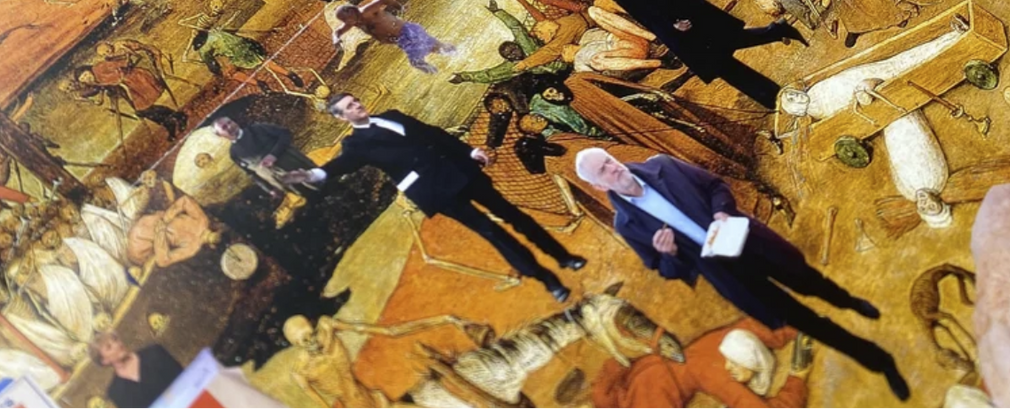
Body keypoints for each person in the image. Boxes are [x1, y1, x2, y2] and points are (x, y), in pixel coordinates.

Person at [575, 149, 909, 402]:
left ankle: (849, 302)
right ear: (598, 185)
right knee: (801, 320)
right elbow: (664, 269)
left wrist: (722, 212)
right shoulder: (627, 225)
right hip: (727, 274)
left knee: (808, 281)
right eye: (603, 170)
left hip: (747, 240)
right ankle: (879, 361)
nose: (613, 168)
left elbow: (715, 186)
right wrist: (670, 254)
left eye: (609, 160)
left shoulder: (663, 165)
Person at [325, 94, 584, 300]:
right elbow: (343, 164)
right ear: (340, 117)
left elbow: (434, 134)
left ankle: (564, 257)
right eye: (349, 107)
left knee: (514, 215)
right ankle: (548, 281)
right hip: (436, 191)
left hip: (460, 171)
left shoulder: (391, 116)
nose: (357, 106)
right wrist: (316, 174)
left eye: (355, 101)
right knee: (491, 232)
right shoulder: (355, 145)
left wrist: (469, 152)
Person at [552, 0, 803, 109]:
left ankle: (771, 92)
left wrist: (672, 21)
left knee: (717, 58)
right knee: (722, 47)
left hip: (672, 16)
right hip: (669, 14)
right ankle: (774, 41)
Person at [591, 318, 810, 408]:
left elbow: (613, 366)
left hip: (675, 362)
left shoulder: (604, 397)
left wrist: (797, 377)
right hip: (681, 367)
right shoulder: (711, 364)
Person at [325, 0, 456, 73]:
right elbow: (338, 32)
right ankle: (450, 59)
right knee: (426, 53)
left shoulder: (367, 11)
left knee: (423, 54)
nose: (348, 22)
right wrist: (336, 41)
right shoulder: (354, 23)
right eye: (345, 20)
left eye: (348, 19)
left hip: (406, 31)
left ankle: (454, 56)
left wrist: (400, 7)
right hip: (399, 39)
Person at [211, 117, 326, 194]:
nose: (229, 127)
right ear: (220, 135)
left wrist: (273, 155)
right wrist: (270, 189)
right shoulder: (234, 153)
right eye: (224, 127)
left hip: (297, 165)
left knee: (324, 184)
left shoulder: (258, 129)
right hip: (284, 182)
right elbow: (251, 174)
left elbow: (285, 134)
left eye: (229, 122)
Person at [89, 331, 182, 409]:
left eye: (115, 340)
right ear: (104, 361)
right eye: (109, 347)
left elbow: (184, 381)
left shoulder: (155, 353)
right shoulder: (116, 392)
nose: (117, 345)